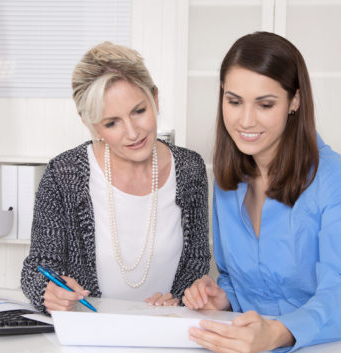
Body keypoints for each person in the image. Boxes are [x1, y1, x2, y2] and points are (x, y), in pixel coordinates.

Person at [182, 31, 341, 353]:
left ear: (294, 101)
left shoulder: (334, 177)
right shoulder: (228, 180)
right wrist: (221, 297)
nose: (245, 120)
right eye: (234, 101)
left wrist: (275, 333)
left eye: (265, 104)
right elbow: (232, 275)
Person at [21, 42, 210, 313]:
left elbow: (197, 262)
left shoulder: (190, 169)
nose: (133, 132)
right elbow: (37, 268)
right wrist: (46, 290)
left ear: (155, 99)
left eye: (139, 111)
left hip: (166, 332)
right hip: (91, 335)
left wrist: (180, 299)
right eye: (112, 123)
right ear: (91, 123)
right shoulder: (64, 175)